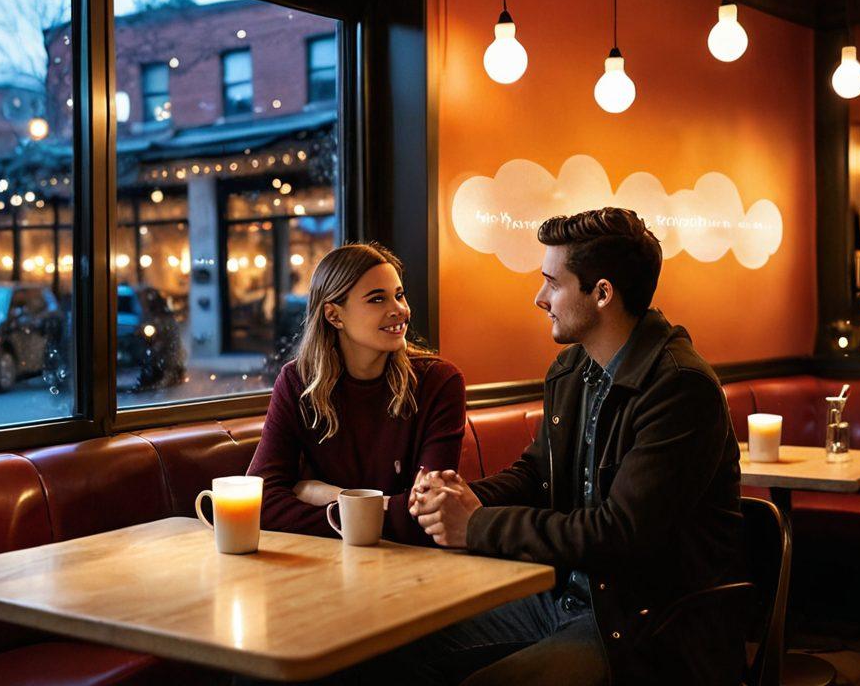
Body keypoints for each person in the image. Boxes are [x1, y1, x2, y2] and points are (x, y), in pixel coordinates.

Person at [404, 207, 746, 685]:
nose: (540, 298)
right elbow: (536, 474)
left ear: (602, 293)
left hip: (645, 626)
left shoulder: (680, 387)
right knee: (402, 648)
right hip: (562, 597)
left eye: (552, 283)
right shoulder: (571, 371)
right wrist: (462, 497)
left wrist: (476, 524)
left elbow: (619, 533)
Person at [247, 242, 466, 546]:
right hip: (327, 561)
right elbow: (260, 502)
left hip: (414, 561)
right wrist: (384, 510)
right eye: (377, 299)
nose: (399, 310)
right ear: (334, 316)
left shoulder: (438, 382)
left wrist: (329, 495)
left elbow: (430, 516)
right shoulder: (298, 382)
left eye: (399, 295)